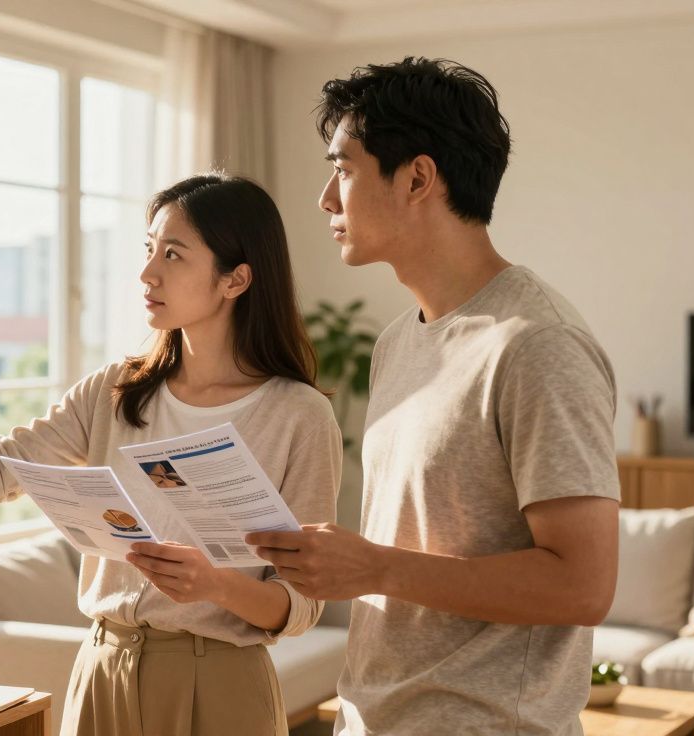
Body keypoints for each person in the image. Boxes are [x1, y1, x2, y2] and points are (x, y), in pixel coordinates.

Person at [0, 173, 342, 736]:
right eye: (148, 249)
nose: (147, 272)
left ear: (235, 278)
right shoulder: (114, 392)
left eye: (173, 253)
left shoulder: (299, 416)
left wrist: (214, 584)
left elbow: (299, 605)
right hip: (103, 669)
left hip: (219, 684)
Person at [246, 58, 620, 736]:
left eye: (346, 168)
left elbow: (583, 586)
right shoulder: (399, 341)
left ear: (417, 177)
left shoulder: (538, 344)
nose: (327, 198)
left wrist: (374, 567)